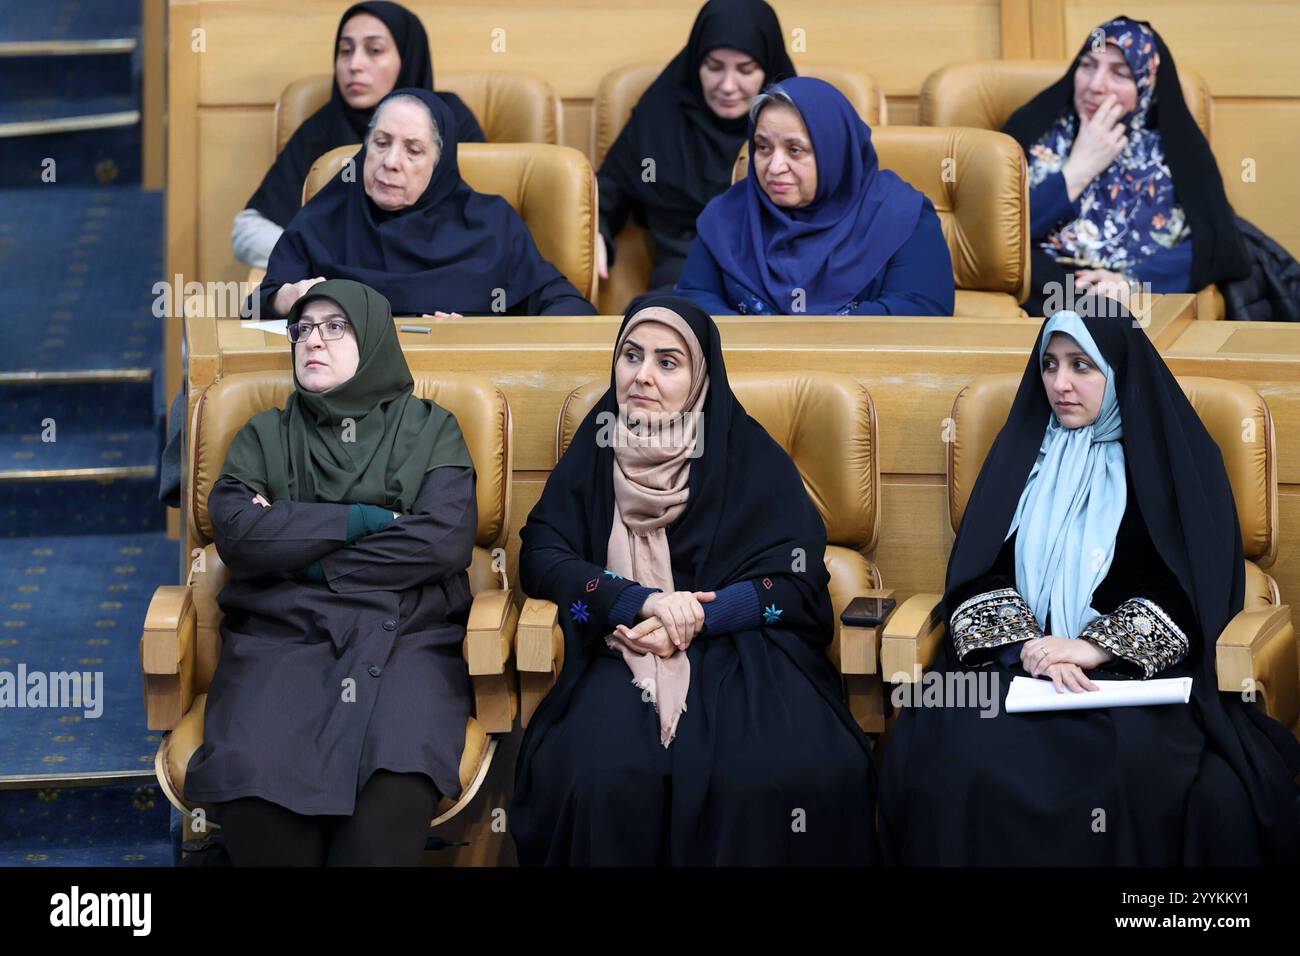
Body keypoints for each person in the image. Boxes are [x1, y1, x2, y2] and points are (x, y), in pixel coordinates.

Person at [878, 306, 1300, 866]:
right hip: (1017, 670)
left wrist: (1094, 647)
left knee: (1130, 773)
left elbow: (1192, 589)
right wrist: (1028, 647)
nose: (1060, 384)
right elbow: (979, 572)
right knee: (962, 758)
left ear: (1119, 371)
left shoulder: (1175, 459)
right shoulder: (1021, 455)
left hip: (1131, 680)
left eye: (1081, 366)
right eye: (1049, 365)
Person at [509, 295, 879, 866]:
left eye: (667, 362)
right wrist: (637, 601)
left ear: (701, 376)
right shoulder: (597, 445)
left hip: (749, 651)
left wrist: (704, 614)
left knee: (783, 776)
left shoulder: (746, 450)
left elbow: (797, 582)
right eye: (631, 355)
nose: (642, 376)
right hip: (621, 644)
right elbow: (541, 554)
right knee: (601, 778)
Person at [184, 279, 480, 866]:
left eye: (335, 327)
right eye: (302, 329)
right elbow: (239, 535)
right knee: (260, 799)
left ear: (373, 339)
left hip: (406, 640)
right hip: (281, 639)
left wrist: (303, 551)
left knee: (386, 806)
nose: (312, 341)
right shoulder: (265, 433)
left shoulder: (431, 427)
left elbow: (442, 541)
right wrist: (368, 519)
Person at [251, 88, 595, 318]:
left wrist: (480, 335)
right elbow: (258, 304)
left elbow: (567, 307)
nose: (390, 162)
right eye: (381, 143)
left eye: (413, 150)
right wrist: (286, 299)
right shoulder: (325, 218)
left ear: (439, 163)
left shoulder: (491, 225)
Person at [1002, 16, 1247, 314]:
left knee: (1110, 310)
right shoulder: (1033, 129)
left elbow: (1219, 245)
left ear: (1146, 85)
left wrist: (1131, 281)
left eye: (1119, 74)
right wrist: (1077, 171)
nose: (1096, 85)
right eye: (1088, 65)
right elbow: (997, 236)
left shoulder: (1177, 149)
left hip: (1129, 293)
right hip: (1051, 287)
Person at [233, 1, 484, 269]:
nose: (354, 64)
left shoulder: (450, 120)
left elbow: (481, 224)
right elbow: (247, 231)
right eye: (345, 51)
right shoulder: (320, 129)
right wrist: (325, 261)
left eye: (374, 50)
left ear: (408, 57)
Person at [677, 77, 955, 316]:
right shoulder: (728, 214)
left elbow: (921, 310)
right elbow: (694, 299)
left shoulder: (900, 213)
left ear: (834, 153)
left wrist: (802, 338)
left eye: (795, 150)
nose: (774, 167)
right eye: (763, 148)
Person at [596, 0, 796, 300]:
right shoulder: (661, 116)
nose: (727, 86)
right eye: (714, 67)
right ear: (695, 64)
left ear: (768, 69)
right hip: (684, 279)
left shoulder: (795, 122)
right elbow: (609, 190)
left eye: (745, 70)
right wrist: (594, 232)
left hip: (778, 274)